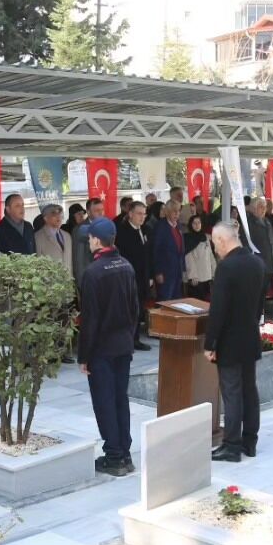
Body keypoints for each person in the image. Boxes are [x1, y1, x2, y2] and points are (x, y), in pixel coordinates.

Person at [79, 217, 138, 477]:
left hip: (102, 348)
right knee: (119, 398)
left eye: (89, 237)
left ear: (95, 240)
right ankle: (124, 452)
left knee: (104, 401)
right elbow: (135, 309)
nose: (88, 241)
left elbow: (90, 320)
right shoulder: (126, 265)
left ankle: (114, 456)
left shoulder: (92, 273)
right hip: (123, 343)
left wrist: (84, 355)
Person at [206, 222, 265, 462]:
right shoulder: (257, 263)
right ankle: (249, 441)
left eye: (214, 243)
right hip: (250, 336)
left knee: (231, 392)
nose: (215, 248)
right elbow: (260, 304)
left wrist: (210, 344)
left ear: (221, 240)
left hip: (229, 340)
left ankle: (231, 445)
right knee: (249, 390)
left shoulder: (227, 267)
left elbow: (218, 310)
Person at [115, 201, 153, 351]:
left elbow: (148, 255)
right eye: (139, 213)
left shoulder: (145, 229)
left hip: (142, 278)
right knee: (128, 311)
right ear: (130, 214)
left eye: (144, 214)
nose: (142, 217)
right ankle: (127, 340)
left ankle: (135, 339)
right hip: (128, 278)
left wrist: (150, 276)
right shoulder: (122, 232)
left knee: (138, 310)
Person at [150, 200, 186, 302]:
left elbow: (181, 248)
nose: (176, 214)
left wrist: (183, 268)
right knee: (165, 300)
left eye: (178, 211)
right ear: (167, 212)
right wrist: (158, 272)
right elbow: (156, 251)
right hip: (165, 271)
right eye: (174, 211)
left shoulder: (178, 225)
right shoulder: (160, 227)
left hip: (177, 270)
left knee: (177, 300)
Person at [183, 212, 217, 300]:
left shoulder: (205, 237)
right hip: (196, 278)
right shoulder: (188, 238)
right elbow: (188, 258)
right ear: (191, 225)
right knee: (196, 302)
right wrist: (192, 275)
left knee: (206, 302)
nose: (197, 225)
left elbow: (210, 256)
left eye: (199, 222)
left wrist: (214, 272)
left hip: (207, 276)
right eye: (194, 223)